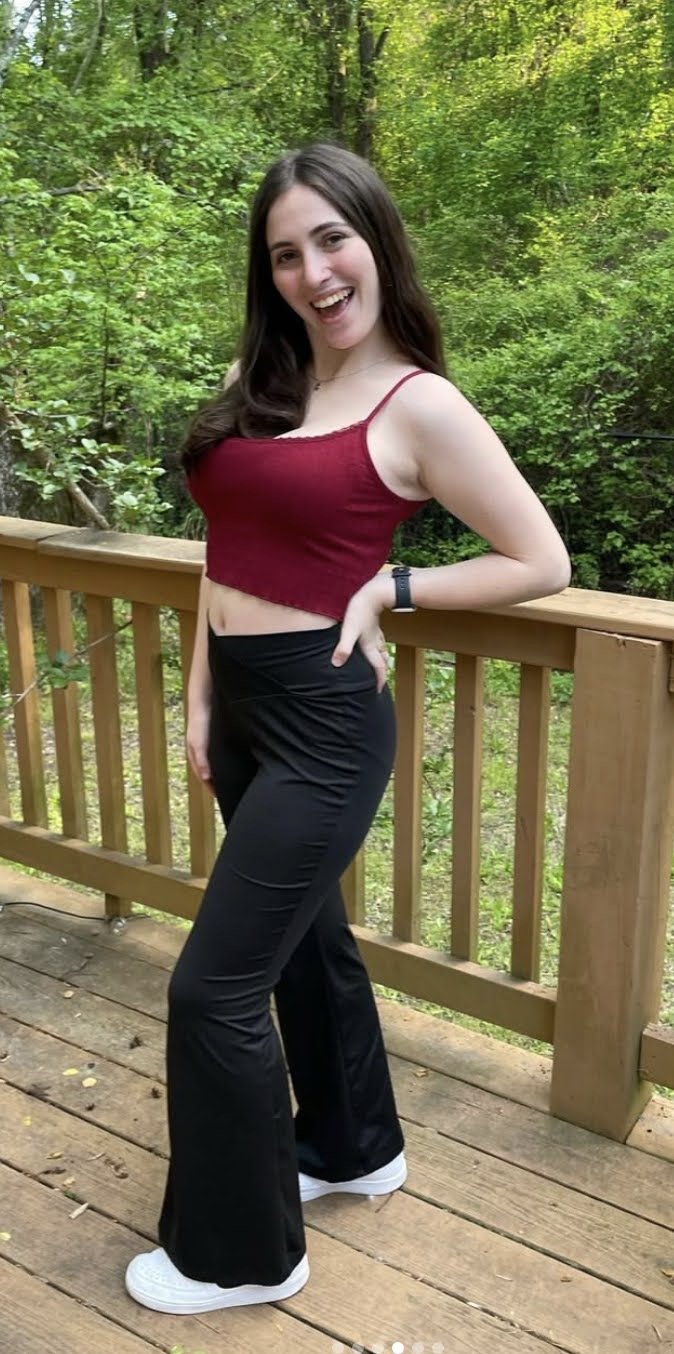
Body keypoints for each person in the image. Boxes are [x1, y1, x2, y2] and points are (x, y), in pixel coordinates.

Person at [125, 142, 570, 1315]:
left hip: (324, 721)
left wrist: (393, 588)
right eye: (285, 253)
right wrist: (201, 695)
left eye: (331, 239)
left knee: (212, 991)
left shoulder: (417, 403)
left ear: (375, 239)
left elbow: (539, 559)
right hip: (242, 703)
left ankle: (240, 1256)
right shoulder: (262, 378)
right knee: (306, 946)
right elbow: (225, 545)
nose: (313, 272)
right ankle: (352, 1145)